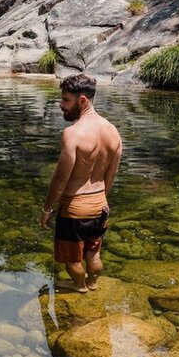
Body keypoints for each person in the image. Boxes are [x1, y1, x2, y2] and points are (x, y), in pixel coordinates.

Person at [40, 73, 122, 293]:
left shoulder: (73, 134)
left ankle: (79, 284)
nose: (61, 105)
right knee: (93, 253)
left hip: (75, 209)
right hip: (100, 205)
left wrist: (47, 209)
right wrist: (102, 200)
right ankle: (93, 283)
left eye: (66, 100)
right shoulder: (113, 132)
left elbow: (60, 179)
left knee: (72, 260)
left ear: (82, 100)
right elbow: (110, 176)